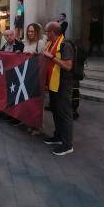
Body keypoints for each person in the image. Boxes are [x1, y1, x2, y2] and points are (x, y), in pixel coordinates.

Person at [43, 22, 75, 156]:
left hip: (63, 84)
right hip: (53, 84)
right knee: (56, 111)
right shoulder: (50, 44)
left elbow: (68, 66)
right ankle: (58, 136)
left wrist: (52, 57)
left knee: (65, 113)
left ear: (52, 32)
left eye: (46, 32)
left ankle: (67, 144)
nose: (45, 34)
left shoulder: (65, 45)